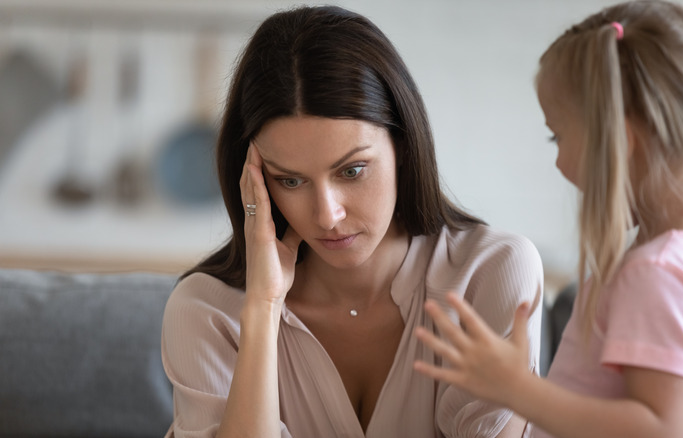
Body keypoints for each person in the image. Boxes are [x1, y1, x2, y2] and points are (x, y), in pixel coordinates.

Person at [160, 5, 544, 438]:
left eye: (351, 171)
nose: (327, 215)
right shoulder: (205, 310)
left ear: (403, 145)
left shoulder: (492, 273)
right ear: (256, 180)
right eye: (290, 180)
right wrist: (263, 309)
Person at [413, 1, 683, 437]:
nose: (560, 163)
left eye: (558, 135)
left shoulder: (658, 274)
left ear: (618, 138)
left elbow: (658, 428)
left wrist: (517, 389)